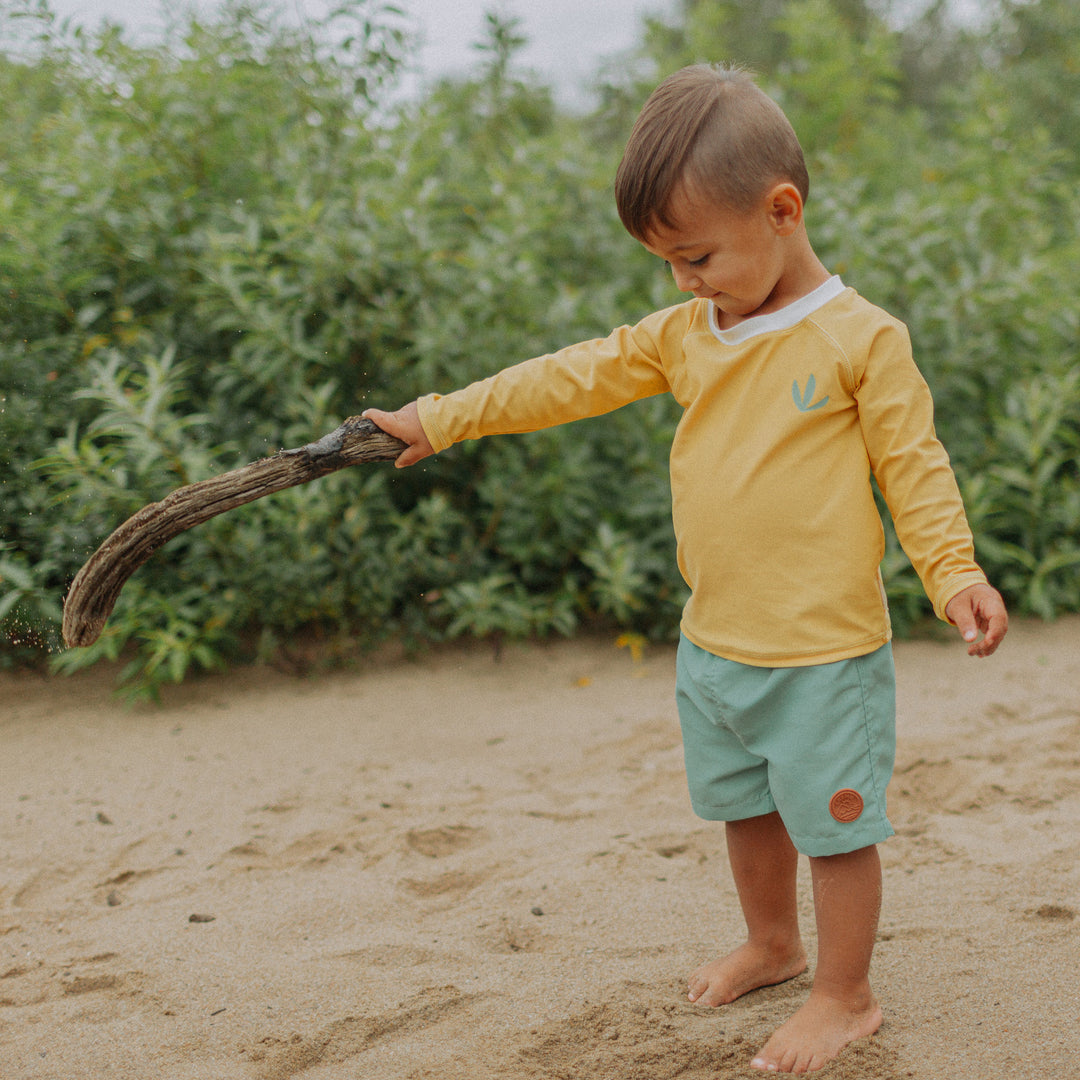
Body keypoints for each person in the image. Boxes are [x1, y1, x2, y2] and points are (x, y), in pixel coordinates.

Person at [363, 64, 1008, 1074]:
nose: (684, 282)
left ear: (782, 211)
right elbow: (564, 378)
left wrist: (954, 573)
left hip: (822, 656)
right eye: (667, 262)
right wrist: (439, 419)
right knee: (744, 812)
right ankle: (773, 943)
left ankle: (845, 994)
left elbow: (913, 469)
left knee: (836, 832)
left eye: (697, 255)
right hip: (714, 642)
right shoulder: (684, 337)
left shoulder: (860, 340)